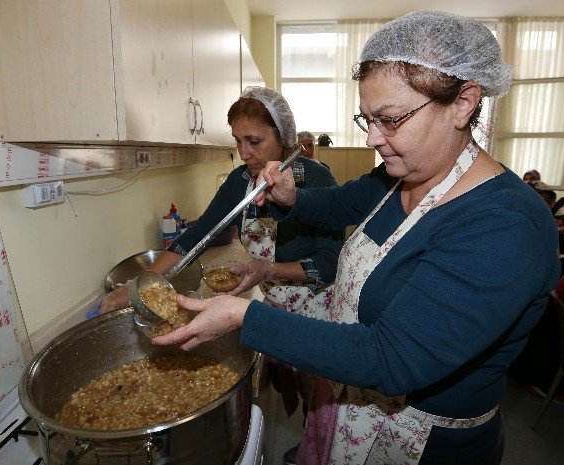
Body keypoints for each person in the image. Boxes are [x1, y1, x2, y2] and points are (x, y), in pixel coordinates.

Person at [152, 11, 561, 465]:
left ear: (464, 102)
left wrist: (243, 317)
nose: (371, 138)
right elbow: (339, 205)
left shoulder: (505, 225)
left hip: (422, 444)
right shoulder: (399, 175)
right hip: (349, 405)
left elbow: (392, 357)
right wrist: (291, 196)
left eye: (389, 119)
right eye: (366, 118)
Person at [100, 88, 344, 464]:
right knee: (296, 384)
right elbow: (195, 237)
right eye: (238, 141)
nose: (245, 153)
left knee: (322, 394)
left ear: (284, 136)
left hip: (318, 304)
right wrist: (139, 286)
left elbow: (331, 262)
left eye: (255, 141)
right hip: (275, 300)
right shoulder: (240, 181)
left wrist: (268, 268)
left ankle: (318, 451)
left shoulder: (315, 179)